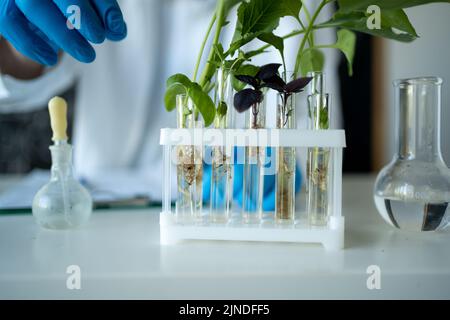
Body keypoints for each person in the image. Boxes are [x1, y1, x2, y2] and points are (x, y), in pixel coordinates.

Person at [0, 0, 340, 209]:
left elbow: (309, 140)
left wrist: (281, 169)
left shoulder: (297, 7)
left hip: (235, 220)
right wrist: (25, 38)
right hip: (107, 214)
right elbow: (24, 80)